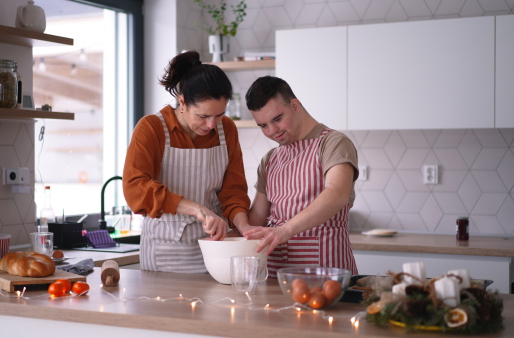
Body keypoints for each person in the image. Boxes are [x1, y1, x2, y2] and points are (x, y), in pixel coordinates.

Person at [122, 51, 251, 273]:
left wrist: (244, 227)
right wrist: (197, 209)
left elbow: (234, 191)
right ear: (182, 102)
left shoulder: (226, 129)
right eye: (203, 116)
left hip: (215, 249)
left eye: (219, 115)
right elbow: (136, 188)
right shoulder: (152, 128)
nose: (212, 124)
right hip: (164, 252)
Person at [241, 75, 359, 277]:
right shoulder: (270, 159)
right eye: (263, 126)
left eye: (277, 119)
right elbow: (256, 219)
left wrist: (285, 231)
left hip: (328, 274)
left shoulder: (333, 143)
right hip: (279, 278)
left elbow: (337, 193)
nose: (272, 131)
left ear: (295, 105)